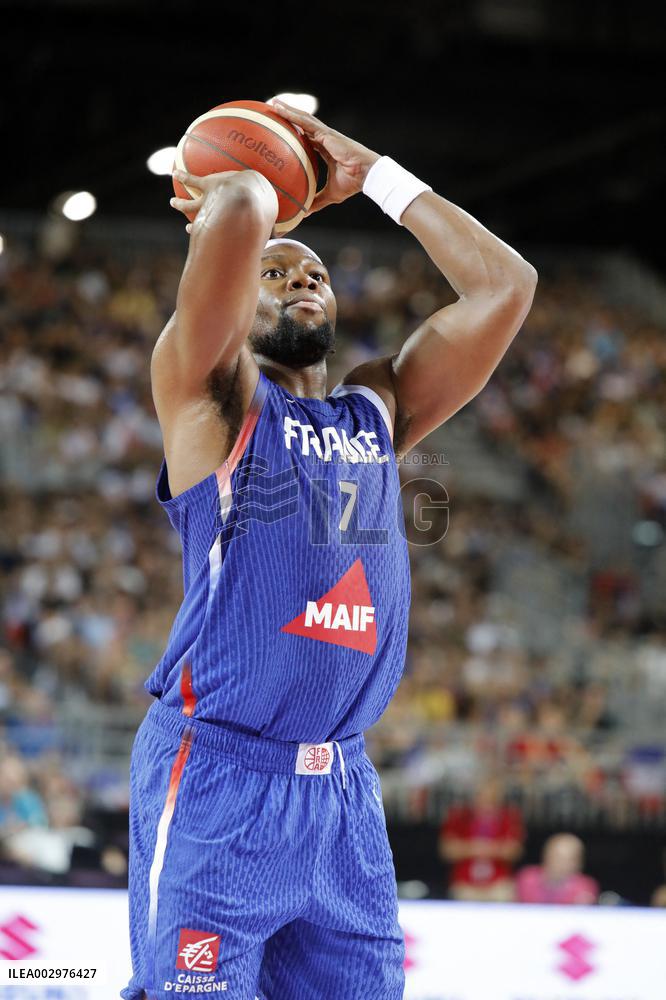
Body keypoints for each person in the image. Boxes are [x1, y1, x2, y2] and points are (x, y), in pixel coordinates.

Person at [122, 98, 537, 1000]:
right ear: (235, 292)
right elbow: (235, 207)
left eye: (310, 272)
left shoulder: (375, 409)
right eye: (271, 273)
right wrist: (267, 183)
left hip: (342, 794)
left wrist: (377, 172)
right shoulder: (210, 397)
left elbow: (507, 287)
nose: (295, 280)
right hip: (220, 777)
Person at [438, 776, 524, 901]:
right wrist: (486, 848)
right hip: (465, 882)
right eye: (481, 795)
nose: (485, 801)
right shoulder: (458, 816)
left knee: (504, 896)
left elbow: (513, 851)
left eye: (491, 797)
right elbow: (447, 850)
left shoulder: (509, 818)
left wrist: (474, 848)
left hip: (498, 883)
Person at [516, 832, 599, 904]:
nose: (561, 864)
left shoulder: (585, 886)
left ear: (578, 864)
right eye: (557, 857)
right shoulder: (527, 878)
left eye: (568, 859)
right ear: (545, 856)